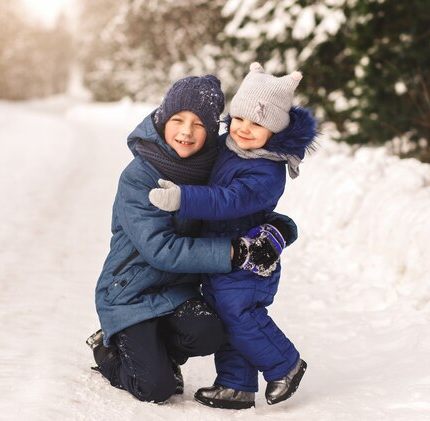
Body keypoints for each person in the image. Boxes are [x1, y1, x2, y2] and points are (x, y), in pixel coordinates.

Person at [86, 73, 298, 404]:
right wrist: (234, 252)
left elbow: (241, 204)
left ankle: (163, 354)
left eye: (199, 124)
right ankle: (109, 350)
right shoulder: (139, 176)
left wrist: (282, 230)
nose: (187, 131)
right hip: (130, 294)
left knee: (212, 329)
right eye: (178, 119)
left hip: (178, 291)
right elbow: (161, 250)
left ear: (212, 131)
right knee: (155, 388)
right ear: (161, 119)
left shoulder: (213, 165)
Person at [149, 62, 317, 409]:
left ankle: (285, 363)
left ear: (275, 129)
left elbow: (230, 200)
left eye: (257, 124)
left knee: (240, 315)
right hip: (223, 251)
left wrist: (184, 198)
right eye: (239, 119)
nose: (243, 129)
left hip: (249, 257)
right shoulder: (233, 147)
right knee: (227, 318)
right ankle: (236, 385)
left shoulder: (267, 168)